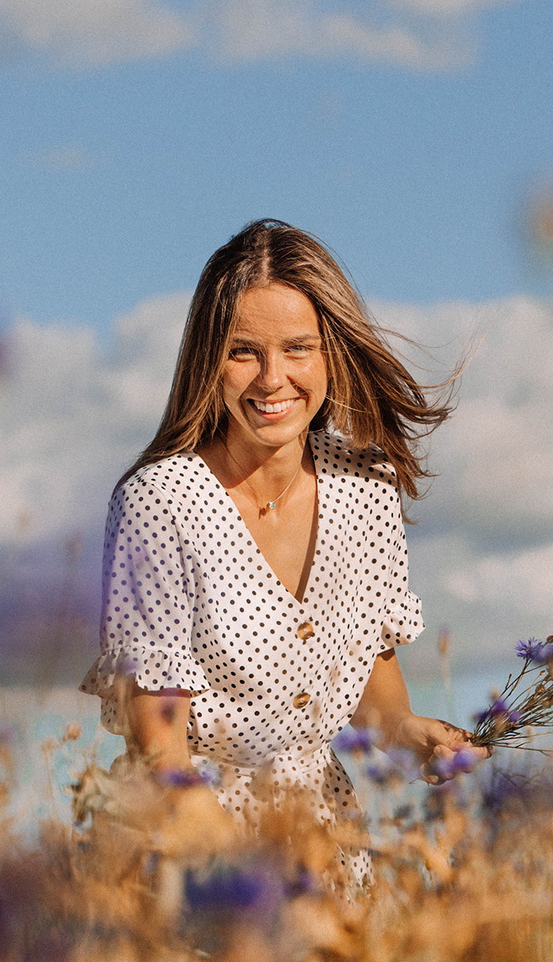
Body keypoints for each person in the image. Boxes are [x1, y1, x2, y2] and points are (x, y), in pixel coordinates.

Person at [78, 219, 484, 864]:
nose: (273, 379)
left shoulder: (367, 489)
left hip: (328, 835)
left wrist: (413, 738)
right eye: (243, 352)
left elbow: (372, 695)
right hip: (191, 834)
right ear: (208, 361)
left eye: (298, 348)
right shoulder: (159, 502)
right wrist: (226, 863)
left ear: (331, 354)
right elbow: (157, 737)